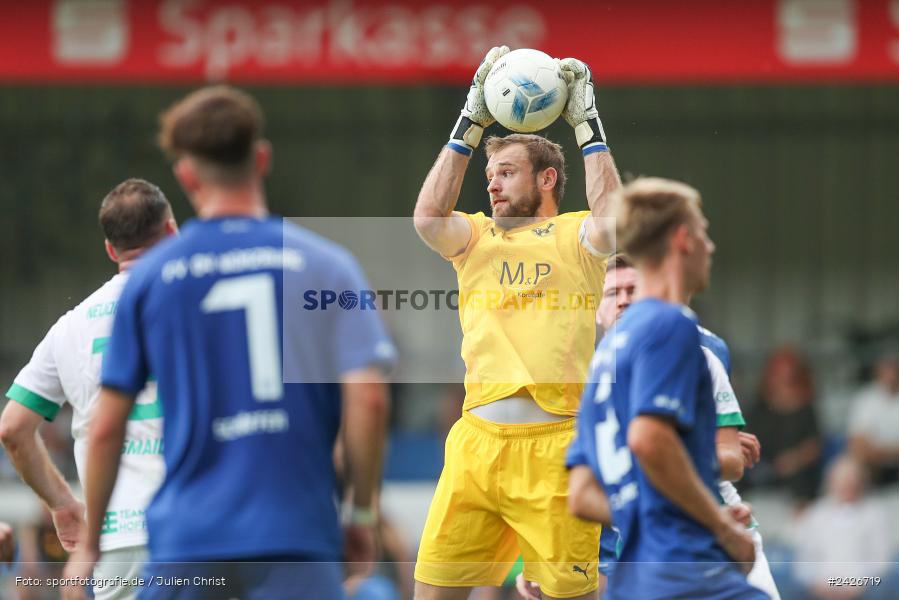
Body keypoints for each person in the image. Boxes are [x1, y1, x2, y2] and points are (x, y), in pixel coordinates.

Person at [62, 86, 396, 600]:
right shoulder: (330, 266)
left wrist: (89, 546)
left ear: (186, 176)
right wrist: (361, 510)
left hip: (188, 542)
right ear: (261, 158)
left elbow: (106, 427)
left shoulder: (152, 280)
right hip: (296, 537)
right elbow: (369, 398)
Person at [412, 46, 620, 600]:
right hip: (476, 447)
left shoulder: (577, 236)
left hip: (557, 449)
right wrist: (470, 123)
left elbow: (617, 222)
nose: (492, 184)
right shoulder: (475, 236)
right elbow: (427, 218)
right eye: (489, 174)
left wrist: (587, 124)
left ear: (547, 178)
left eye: (506, 172)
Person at [567, 178, 764, 599]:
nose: (710, 247)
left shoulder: (603, 356)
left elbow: (581, 495)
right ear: (683, 240)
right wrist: (717, 523)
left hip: (635, 580)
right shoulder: (671, 326)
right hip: (689, 570)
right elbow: (649, 440)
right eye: (705, 233)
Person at [1, 179, 176, 600]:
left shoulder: (71, 327)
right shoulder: (197, 302)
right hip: (194, 525)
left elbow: (12, 429)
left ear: (111, 250)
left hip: (115, 537)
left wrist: (62, 504)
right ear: (172, 231)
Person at [793, 454, 893, 599]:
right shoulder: (815, 514)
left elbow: (882, 563)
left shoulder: (875, 515)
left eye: (852, 480)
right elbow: (803, 563)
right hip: (820, 591)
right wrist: (818, 585)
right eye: (842, 481)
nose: (847, 485)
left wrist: (854, 586)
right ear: (831, 482)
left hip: (863, 591)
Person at [745, 346, 822, 504]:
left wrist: (793, 460)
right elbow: (746, 435)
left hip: (795, 469)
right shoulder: (759, 406)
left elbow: (814, 446)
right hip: (762, 467)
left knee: (801, 477)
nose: (782, 379)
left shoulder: (805, 407)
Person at [848, 351, 899, 486]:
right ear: (878, 373)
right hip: (875, 463)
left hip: (885, 456)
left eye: (894, 371)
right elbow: (858, 441)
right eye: (887, 371)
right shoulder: (866, 399)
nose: (891, 377)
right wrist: (888, 453)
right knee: (855, 459)